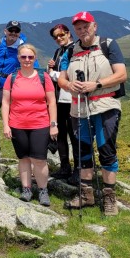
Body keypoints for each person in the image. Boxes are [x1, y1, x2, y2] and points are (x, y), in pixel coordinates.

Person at [58, 11, 127, 216]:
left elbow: (122, 74)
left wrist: (96, 84)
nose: (82, 31)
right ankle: (86, 194)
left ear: (94, 26)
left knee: (106, 150)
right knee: (82, 151)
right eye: (78, 28)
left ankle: (109, 198)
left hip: (105, 105)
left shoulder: (108, 44)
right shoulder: (70, 51)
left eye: (85, 26)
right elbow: (61, 78)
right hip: (78, 108)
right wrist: (69, 84)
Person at [1, 44, 58, 206]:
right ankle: (26, 189)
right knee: (24, 158)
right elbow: (5, 103)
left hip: (40, 123)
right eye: (23, 57)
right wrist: (6, 124)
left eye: (30, 57)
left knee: (39, 159)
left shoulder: (43, 76)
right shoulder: (11, 78)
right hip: (17, 124)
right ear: (18, 58)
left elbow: (52, 102)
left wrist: (53, 124)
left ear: (35, 58)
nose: (27, 60)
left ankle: (42, 191)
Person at [0, 20, 37, 161]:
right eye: (10, 30)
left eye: (16, 31)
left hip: (8, 85)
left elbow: (34, 66)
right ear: (5, 31)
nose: (13, 33)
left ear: (19, 33)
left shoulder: (22, 49)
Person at [47, 24, 78, 183]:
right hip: (59, 98)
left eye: (61, 35)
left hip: (70, 97)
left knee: (74, 133)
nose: (58, 38)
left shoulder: (75, 49)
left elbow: (71, 74)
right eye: (55, 37)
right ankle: (65, 167)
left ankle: (78, 169)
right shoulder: (58, 51)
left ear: (68, 33)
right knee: (60, 132)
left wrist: (53, 73)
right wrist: (51, 67)